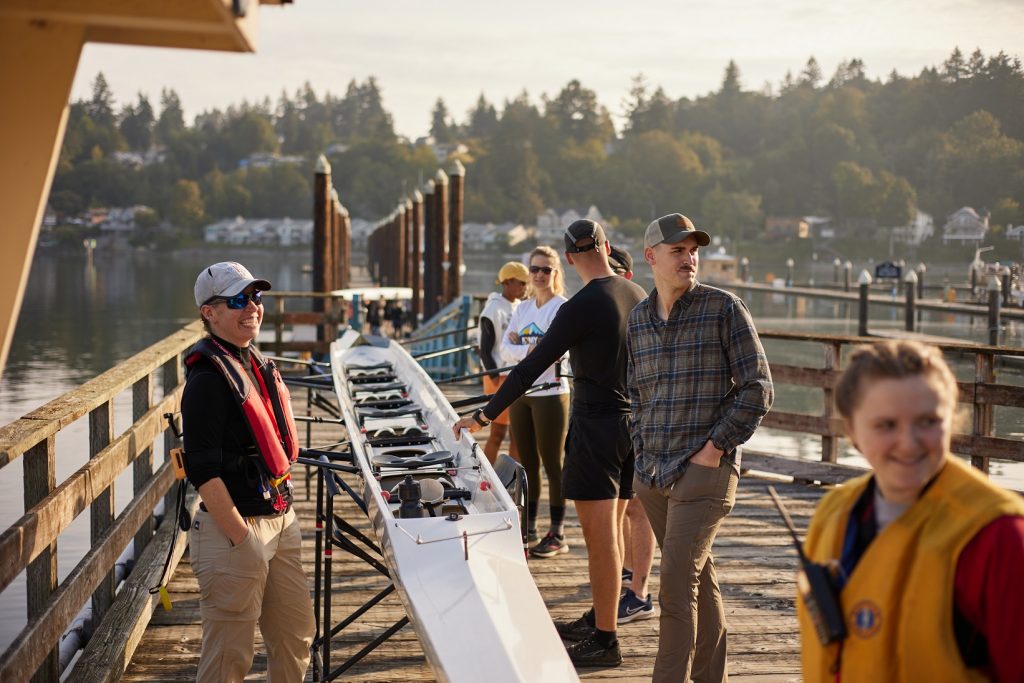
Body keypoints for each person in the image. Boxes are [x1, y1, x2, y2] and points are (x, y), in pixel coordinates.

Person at [453, 220, 646, 667]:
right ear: (607, 247)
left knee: (600, 540)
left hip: (596, 426)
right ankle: (602, 615)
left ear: (571, 259)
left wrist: (484, 414)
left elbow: (531, 367)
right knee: (615, 529)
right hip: (633, 426)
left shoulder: (580, 306)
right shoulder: (639, 295)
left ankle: (605, 642)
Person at [799, 340, 1024, 682]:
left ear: (952, 420)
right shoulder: (836, 512)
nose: (909, 442)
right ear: (852, 432)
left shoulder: (998, 537)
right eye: (886, 425)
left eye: (928, 421)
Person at [627, 213, 773, 683]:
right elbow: (635, 395)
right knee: (698, 578)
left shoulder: (724, 308)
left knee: (673, 589)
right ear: (651, 257)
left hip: (704, 474)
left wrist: (714, 450)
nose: (689, 257)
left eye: (694, 250)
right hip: (653, 475)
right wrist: (640, 452)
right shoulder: (638, 320)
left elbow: (758, 388)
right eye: (678, 250)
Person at [182, 262, 315, 682]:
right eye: (238, 300)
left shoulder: (252, 362)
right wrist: (242, 539)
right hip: (233, 532)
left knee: (296, 639)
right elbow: (202, 470)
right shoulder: (206, 381)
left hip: (280, 519)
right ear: (210, 312)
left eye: (256, 297)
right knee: (228, 659)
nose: (252, 308)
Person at [501, 246, 571, 556]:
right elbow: (505, 349)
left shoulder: (563, 309)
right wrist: (532, 350)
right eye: (535, 269)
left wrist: (526, 349)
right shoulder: (522, 309)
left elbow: (558, 353)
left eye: (546, 270)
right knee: (526, 466)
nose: (540, 275)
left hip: (551, 395)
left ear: (556, 273)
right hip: (521, 394)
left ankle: (557, 532)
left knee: (553, 464)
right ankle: (528, 528)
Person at [607, 245, 658, 625]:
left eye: (611, 270)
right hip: (610, 420)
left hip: (640, 420)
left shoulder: (643, 309)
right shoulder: (597, 307)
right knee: (619, 505)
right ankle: (626, 575)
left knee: (639, 508)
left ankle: (640, 593)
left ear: (625, 274)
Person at [478, 261, 529, 464]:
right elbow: (485, 351)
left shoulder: (520, 307)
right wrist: (495, 378)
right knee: (498, 432)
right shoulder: (493, 309)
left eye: (526, 283)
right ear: (507, 282)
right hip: (499, 377)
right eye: (521, 283)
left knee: (518, 434)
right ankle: (489, 478)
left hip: (517, 375)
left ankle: (511, 483)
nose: (525, 287)